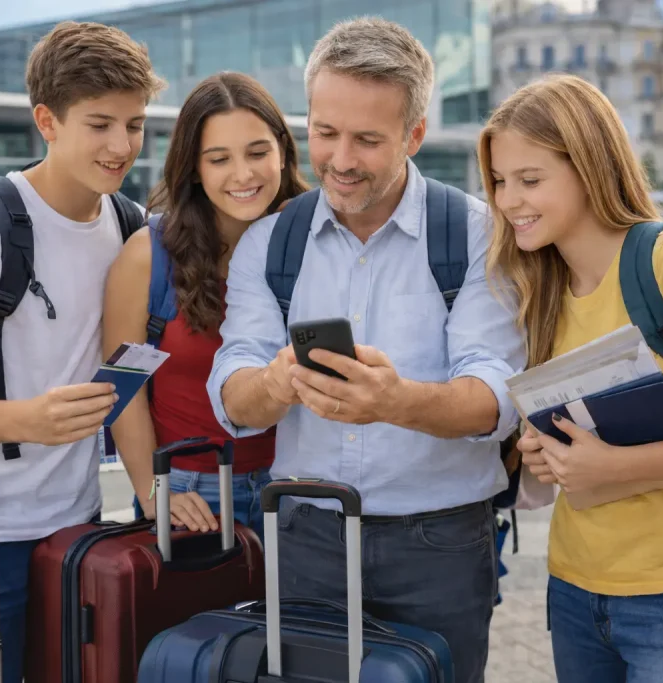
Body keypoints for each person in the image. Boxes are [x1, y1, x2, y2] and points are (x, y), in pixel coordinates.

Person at [208, 17, 526, 682]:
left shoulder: (472, 236)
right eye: (325, 133)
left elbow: (496, 397)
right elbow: (235, 398)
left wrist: (396, 401)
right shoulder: (270, 244)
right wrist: (277, 381)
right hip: (306, 539)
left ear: (414, 135)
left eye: (367, 139)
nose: (341, 158)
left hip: (440, 543)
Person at [479, 73, 663, 683]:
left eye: (530, 180)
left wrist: (609, 466)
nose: (509, 200)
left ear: (591, 167)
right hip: (577, 590)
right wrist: (543, 452)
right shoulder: (536, 290)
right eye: (499, 182)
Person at [0, 21, 165, 683]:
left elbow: (126, 372)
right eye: (99, 123)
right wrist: (28, 420)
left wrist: (152, 493)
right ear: (47, 119)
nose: (121, 145)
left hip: (75, 522)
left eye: (134, 124)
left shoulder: (128, 224)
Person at [102, 72, 310, 541]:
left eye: (258, 153)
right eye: (219, 159)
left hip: (302, 488)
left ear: (282, 149)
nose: (244, 175)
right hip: (194, 493)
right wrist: (155, 493)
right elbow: (123, 388)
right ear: (194, 168)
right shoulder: (149, 255)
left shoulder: (318, 236)